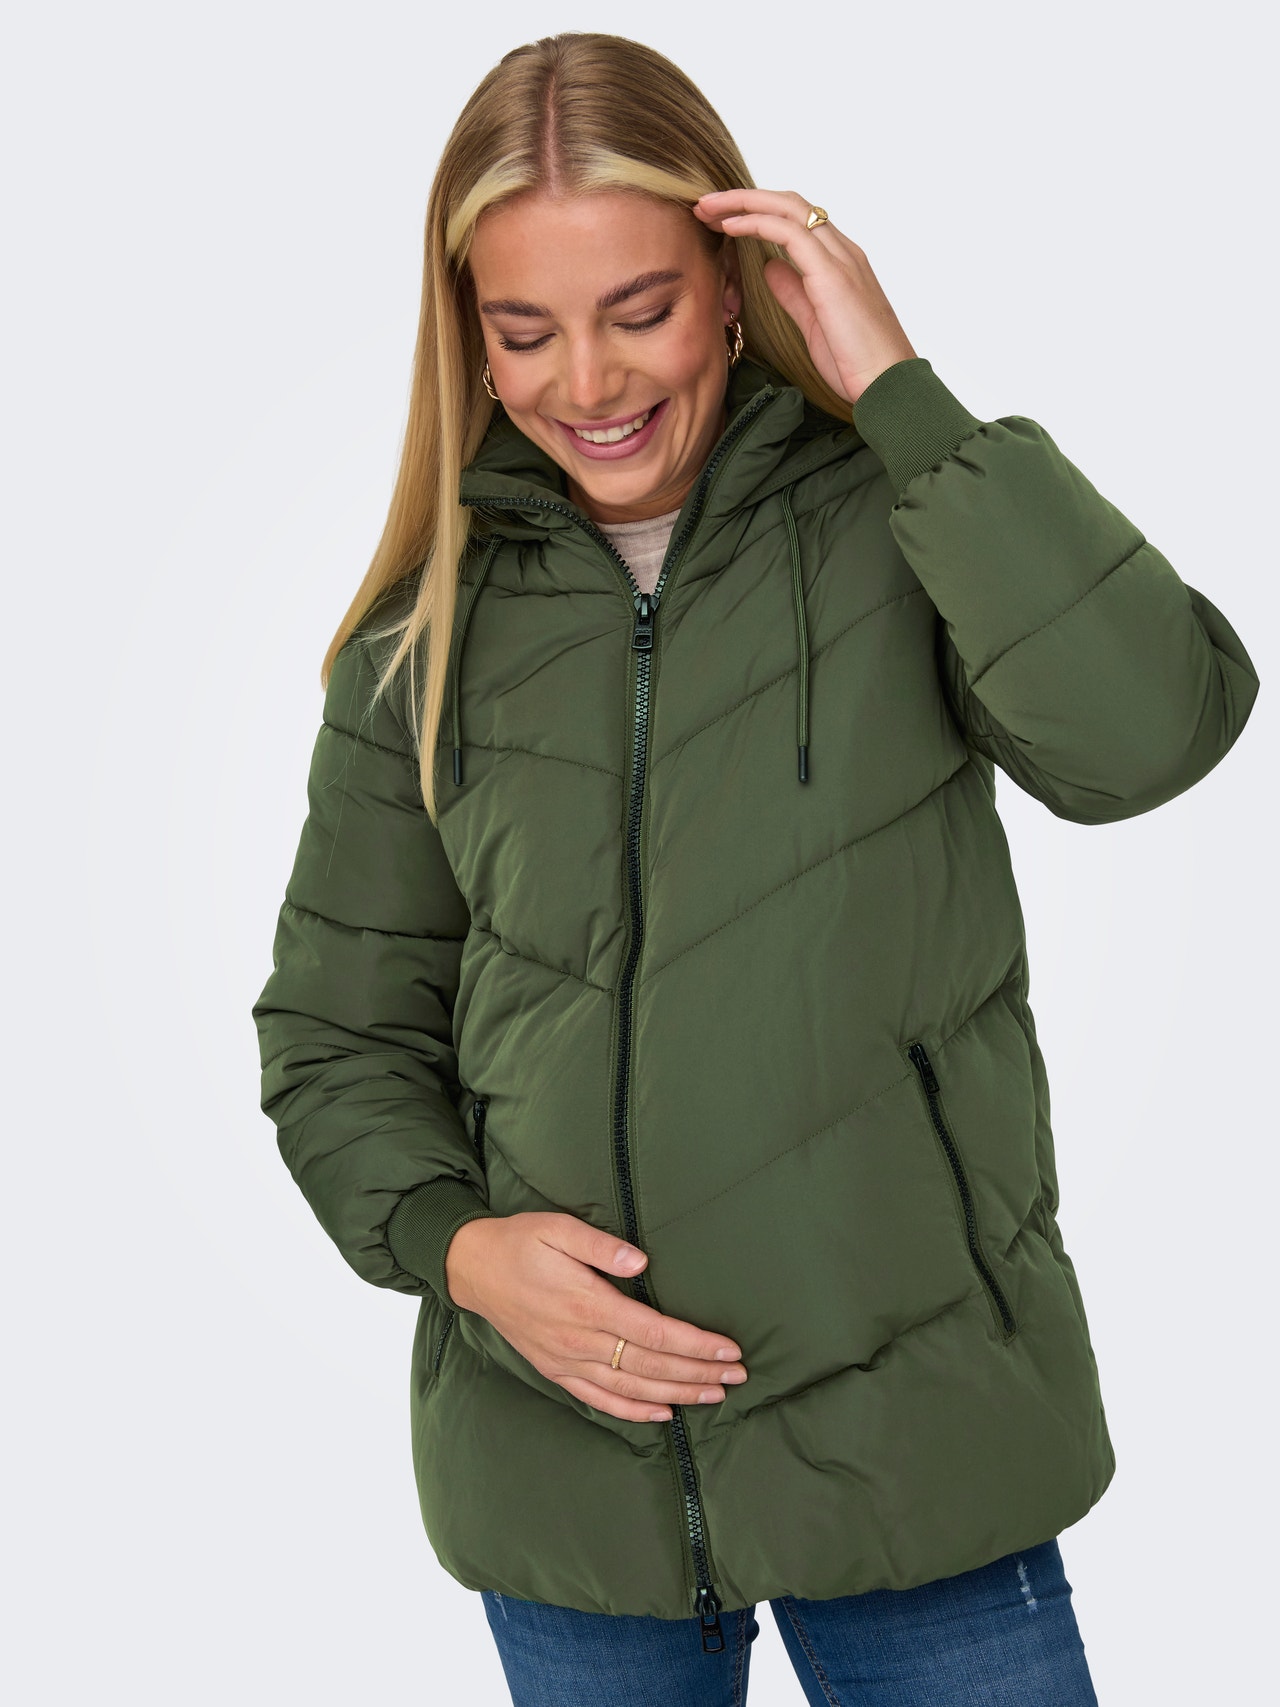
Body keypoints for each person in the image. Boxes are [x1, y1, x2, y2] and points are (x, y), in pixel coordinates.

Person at [251, 30, 1260, 1707]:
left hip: (918, 1445)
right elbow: (335, 1039)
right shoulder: (424, 637)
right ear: (472, 343)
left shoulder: (904, 524)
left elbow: (1153, 736)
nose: (588, 379)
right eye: (526, 331)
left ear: (730, 290)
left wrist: (904, 396)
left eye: (638, 308)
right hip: (567, 1472)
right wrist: (460, 1250)